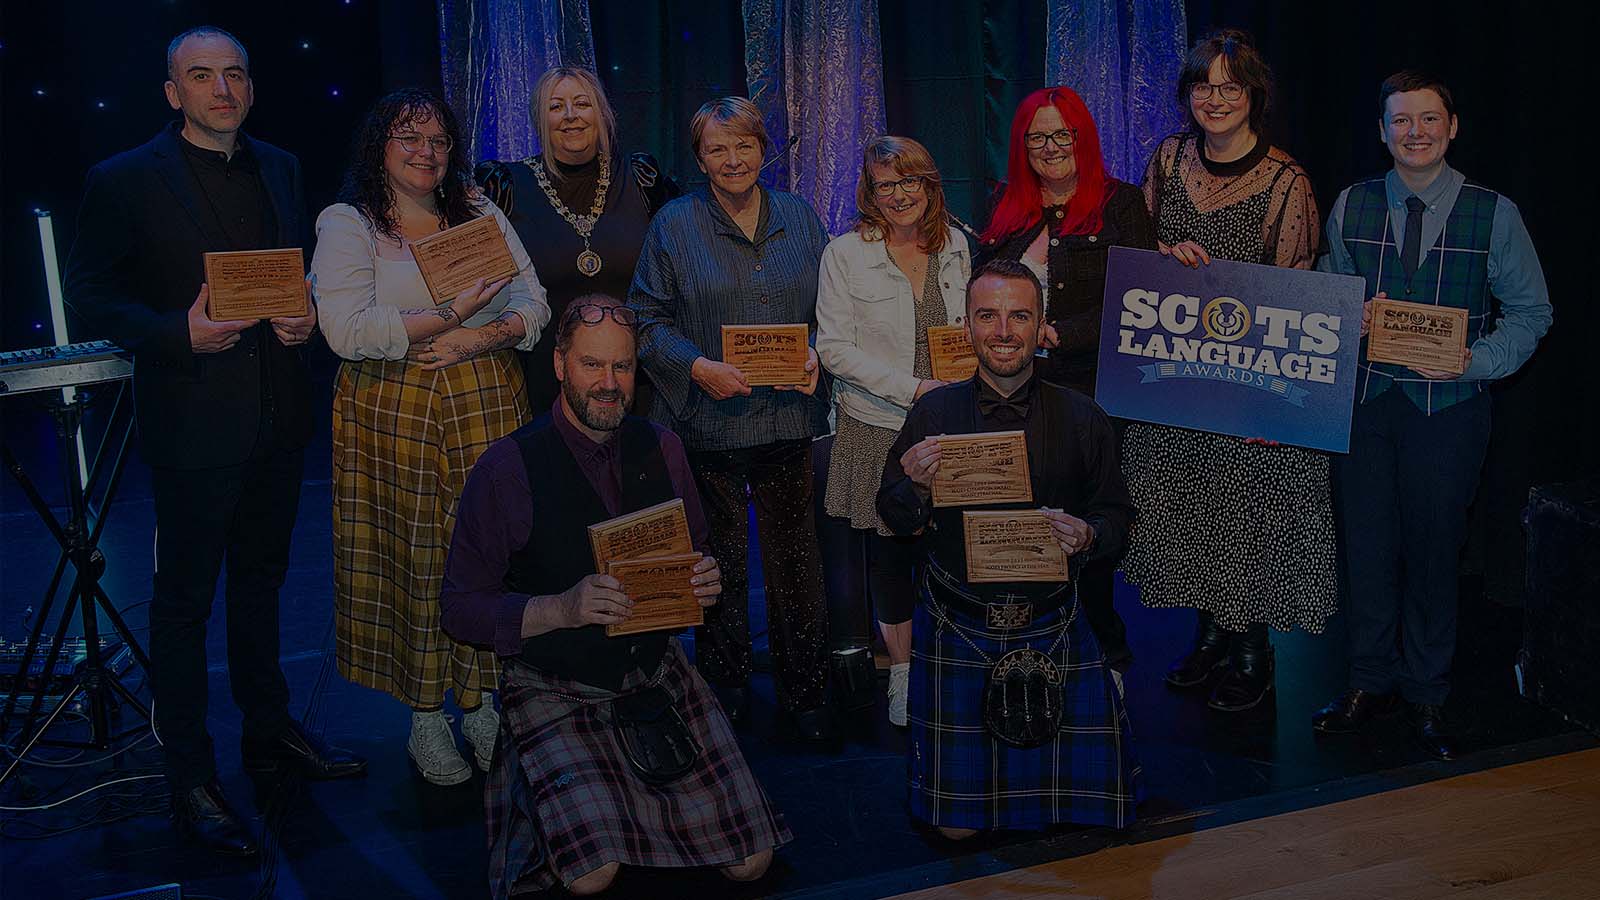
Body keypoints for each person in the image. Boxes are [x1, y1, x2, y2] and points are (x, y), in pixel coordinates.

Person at [63, 26, 364, 856]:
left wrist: (304, 316)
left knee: (262, 588)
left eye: (234, 74)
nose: (221, 89)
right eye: (202, 76)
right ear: (173, 91)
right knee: (184, 607)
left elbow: (285, 273)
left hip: (277, 419)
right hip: (194, 423)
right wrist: (172, 335)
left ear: (252, 89)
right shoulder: (122, 179)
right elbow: (89, 293)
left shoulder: (280, 165)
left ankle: (270, 738)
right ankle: (190, 777)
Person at [440, 295, 788, 896]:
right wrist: (559, 607)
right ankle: (533, 778)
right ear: (559, 365)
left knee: (751, 861)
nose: (608, 384)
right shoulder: (507, 468)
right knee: (591, 876)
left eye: (622, 368)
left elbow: (697, 549)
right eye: (592, 366)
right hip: (554, 681)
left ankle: (594, 803)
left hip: (654, 673)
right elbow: (459, 608)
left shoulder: (663, 447)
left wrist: (705, 580)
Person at [310, 88, 550, 785]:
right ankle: (425, 717)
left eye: (438, 140)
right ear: (377, 149)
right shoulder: (348, 223)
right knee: (414, 556)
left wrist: (481, 333)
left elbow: (533, 301)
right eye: (407, 139)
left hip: (484, 396)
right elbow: (347, 331)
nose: (426, 153)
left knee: (488, 552)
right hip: (393, 408)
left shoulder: (478, 211)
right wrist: (443, 314)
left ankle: (480, 703)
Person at [1312, 71, 1552, 760]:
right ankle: (1368, 680)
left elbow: (1533, 313)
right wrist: (1342, 311)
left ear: (1452, 128)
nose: (1414, 132)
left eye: (1428, 119)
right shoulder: (1352, 204)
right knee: (1365, 548)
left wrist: (1472, 361)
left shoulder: (1493, 212)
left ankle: (1426, 690)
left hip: (1448, 409)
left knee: (1433, 549)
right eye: (1400, 121)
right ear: (1382, 132)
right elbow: (1329, 295)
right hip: (1365, 404)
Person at [877, 259, 1140, 837]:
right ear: (966, 326)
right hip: (960, 626)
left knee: (1088, 817)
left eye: (1019, 316)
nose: (1003, 331)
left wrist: (1090, 535)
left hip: (1054, 621)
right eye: (988, 316)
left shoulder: (1082, 415)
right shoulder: (933, 413)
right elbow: (891, 514)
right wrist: (916, 485)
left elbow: (1118, 517)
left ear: (1041, 323)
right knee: (957, 831)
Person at [1122, 28, 1332, 713]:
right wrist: (1163, 255)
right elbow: (1136, 252)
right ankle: (1209, 639)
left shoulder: (1286, 180)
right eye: (1202, 86)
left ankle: (1253, 654)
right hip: (1177, 381)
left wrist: (1275, 409)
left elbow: (1295, 294)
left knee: (1246, 514)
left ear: (1253, 95)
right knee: (1190, 511)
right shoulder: (1167, 158)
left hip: (1251, 388)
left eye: (1229, 86)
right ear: (1187, 95)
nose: (1214, 99)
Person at [629, 97, 833, 738]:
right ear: (699, 159)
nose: (732, 159)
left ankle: (807, 691)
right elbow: (644, 319)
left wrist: (817, 355)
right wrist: (698, 367)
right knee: (716, 562)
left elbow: (833, 311)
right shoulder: (673, 224)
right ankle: (726, 687)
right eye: (717, 148)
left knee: (797, 563)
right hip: (706, 423)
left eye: (743, 145)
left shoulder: (801, 217)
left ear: (765, 150)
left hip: (786, 420)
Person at [974, 85, 1158, 674]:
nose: (1050, 147)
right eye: (1037, 137)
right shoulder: (1007, 205)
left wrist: (1059, 333)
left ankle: (1101, 637)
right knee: (1023, 506)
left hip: (1092, 390)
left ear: (1082, 137)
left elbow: (1138, 299)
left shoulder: (1121, 203)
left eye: (1062, 134)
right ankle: (1028, 632)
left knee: (1086, 517)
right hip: (1015, 385)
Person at [815, 136, 969, 726]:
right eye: (887, 184)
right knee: (888, 557)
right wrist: (915, 391)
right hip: (878, 426)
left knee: (948, 551)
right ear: (870, 193)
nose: (900, 194)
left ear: (930, 186)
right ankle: (903, 677)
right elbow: (831, 349)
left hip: (951, 427)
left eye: (911, 181)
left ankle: (951, 665)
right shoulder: (845, 254)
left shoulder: (958, 246)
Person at [476, 66, 679, 414]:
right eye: (556, 107)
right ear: (539, 119)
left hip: (633, 382)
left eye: (582, 103)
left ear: (601, 112)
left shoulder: (642, 178)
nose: (570, 116)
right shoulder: (505, 185)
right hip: (544, 382)